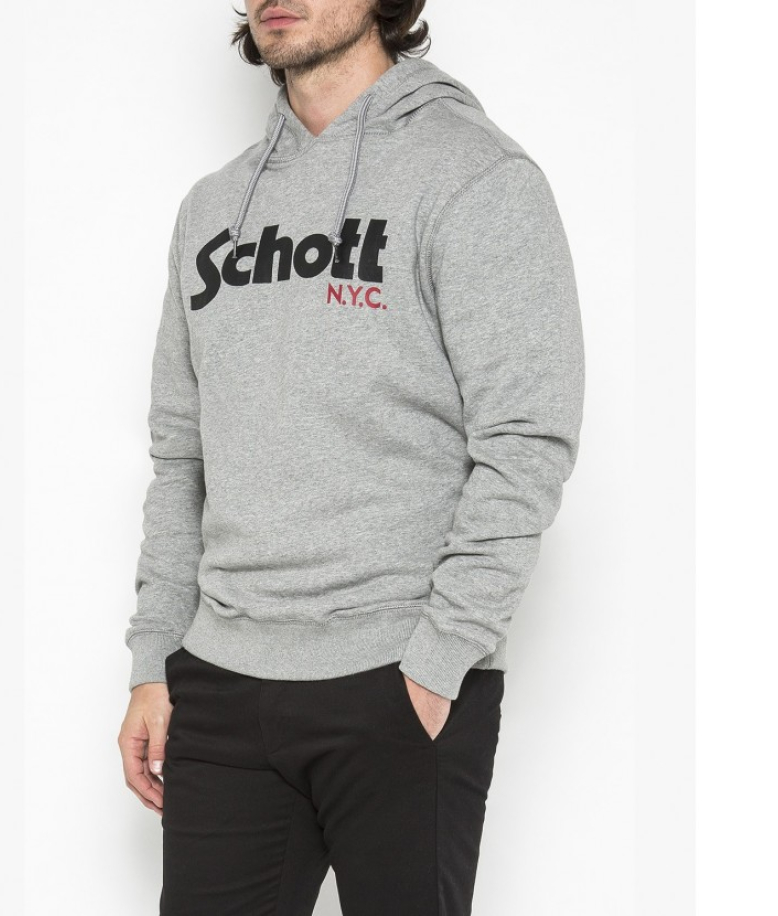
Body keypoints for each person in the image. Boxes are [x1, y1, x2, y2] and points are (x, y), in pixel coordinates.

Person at [118, 1, 585, 913]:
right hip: (219, 682)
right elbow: (181, 453)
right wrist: (154, 660)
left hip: (396, 677)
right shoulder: (211, 207)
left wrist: (438, 659)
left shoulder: (475, 176)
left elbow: (527, 439)